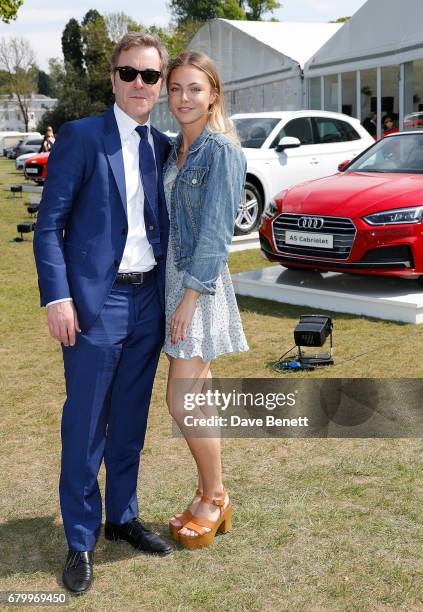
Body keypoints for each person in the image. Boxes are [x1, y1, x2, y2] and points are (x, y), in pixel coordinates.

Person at [33, 32, 173, 595]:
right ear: (113, 78)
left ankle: (123, 517)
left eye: (150, 76)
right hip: (97, 303)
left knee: (131, 422)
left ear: (160, 85)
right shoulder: (82, 136)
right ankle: (80, 538)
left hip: (149, 301)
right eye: (129, 73)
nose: (140, 84)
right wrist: (57, 296)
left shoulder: (163, 144)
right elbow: (49, 225)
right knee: (86, 425)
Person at [163, 51, 249, 550]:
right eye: (175, 88)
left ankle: (214, 499)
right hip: (174, 284)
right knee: (198, 399)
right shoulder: (175, 148)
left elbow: (216, 234)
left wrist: (189, 299)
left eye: (194, 88)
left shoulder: (222, 152)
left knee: (181, 400)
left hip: (199, 287)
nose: (183, 98)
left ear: (213, 94)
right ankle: (207, 493)